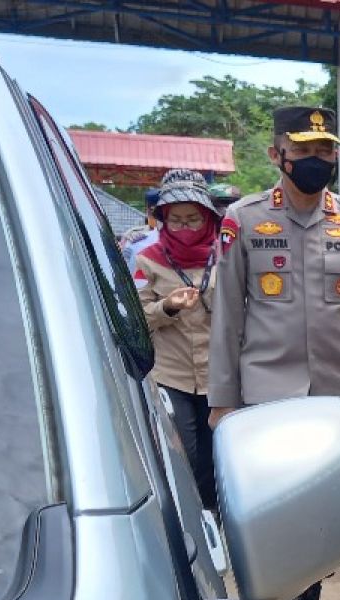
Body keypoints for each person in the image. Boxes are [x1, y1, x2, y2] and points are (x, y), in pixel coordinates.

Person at [208, 105, 340, 600]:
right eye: (306, 150)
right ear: (277, 155)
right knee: (269, 504)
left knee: (315, 506)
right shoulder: (241, 220)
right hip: (265, 392)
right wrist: (222, 400)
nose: (318, 160)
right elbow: (228, 317)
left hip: (333, 396)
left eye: (326, 151)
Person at [137, 169, 222, 510]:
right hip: (173, 376)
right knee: (183, 452)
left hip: (221, 374)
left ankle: (221, 520)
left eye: (193, 220)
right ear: (162, 221)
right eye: (177, 221)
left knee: (222, 453)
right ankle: (191, 520)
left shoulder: (227, 257)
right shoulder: (147, 262)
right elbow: (139, 318)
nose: (185, 229)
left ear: (207, 218)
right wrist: (167, 307)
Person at [121, 187, 160, 275]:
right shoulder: (133, 234)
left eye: (159, 212)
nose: (156, 216)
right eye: (152, 211)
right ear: (146, 211)